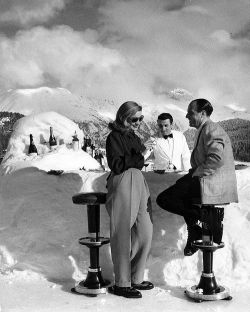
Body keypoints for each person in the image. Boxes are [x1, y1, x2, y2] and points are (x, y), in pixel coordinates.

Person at [156, 98, 238, 256]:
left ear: (203, 113)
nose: (187, 116)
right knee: (180, 187)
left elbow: (216, 158)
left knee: (165, 199)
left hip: (211, 183)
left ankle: (205, 218)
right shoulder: (206, 128)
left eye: (190, 113)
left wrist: (196, 173)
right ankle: (196, 229)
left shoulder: (211, 129)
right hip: (205, 179)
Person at [105, 101, 155, 298]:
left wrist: (145, 152)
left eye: (141, 119)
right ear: (123, 117)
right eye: (134, 119)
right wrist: (142, 154)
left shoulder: (133, 136)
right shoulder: (114, 137)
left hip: (138, 181)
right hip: (123, 181)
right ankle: (122, 283)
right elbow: (116, 164)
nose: (138, 122)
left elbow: (137, 161)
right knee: (122, 231)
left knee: (145, 230)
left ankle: (136, 277)